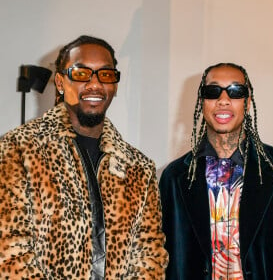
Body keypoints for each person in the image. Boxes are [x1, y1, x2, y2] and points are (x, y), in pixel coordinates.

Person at [0, 35, 168, 279]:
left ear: (115, 85)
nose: (95, 84)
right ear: (60, 82)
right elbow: (10, 256)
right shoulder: (18, 149)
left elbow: (149, 256)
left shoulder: (138, 167)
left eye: (106, 74)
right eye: (81, 73)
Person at [159, 63, 273, 280]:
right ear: (202, 101)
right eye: (213, 92)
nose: (223, 100)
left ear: (248, 101)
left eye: (235, 91)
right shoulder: (174, 177)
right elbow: (163, 256)